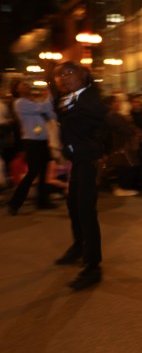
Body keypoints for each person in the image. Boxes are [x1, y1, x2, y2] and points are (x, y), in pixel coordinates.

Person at [48, 62, 107, 291]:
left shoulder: (89, 98)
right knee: (73, 204)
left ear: (83, 75)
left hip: (89, 162)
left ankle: (93, 266)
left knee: (86, 210)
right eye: (61, 75)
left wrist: (127, 138)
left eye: (69, 72)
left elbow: (107, 118)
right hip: (78, 162)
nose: (65, 77)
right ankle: (79, 247)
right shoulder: (69, 99)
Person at [6, 81, 57, 215]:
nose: (26, 85)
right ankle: (14, 203)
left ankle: (42, 201)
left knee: (45, 170)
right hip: (32, 141)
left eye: (26, 84)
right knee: (33, 172)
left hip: (42, 140)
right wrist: (51, 94)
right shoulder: (20, 103)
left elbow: (50, 114)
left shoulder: (33, 102)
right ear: (16, 90)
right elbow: (44, 108)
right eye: (21, 85)